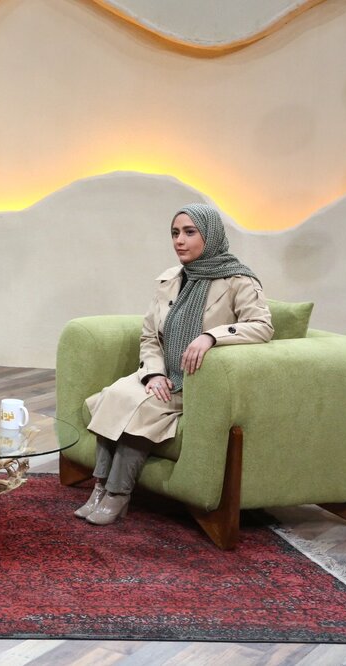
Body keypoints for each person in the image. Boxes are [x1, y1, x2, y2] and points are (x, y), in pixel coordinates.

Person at [75, 203, 273, 526]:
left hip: (197, 382)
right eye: (175, 233)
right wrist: (153, 373)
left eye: (189, 232)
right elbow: (150, 335)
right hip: (162, 375)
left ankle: (117, 494)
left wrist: (211, 336)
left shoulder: (239, 280)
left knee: (141, 410)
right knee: (116, 395)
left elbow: (262, 327)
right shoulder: (170, 280)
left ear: (210, 235)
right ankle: (99, 487)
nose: (179, 240)